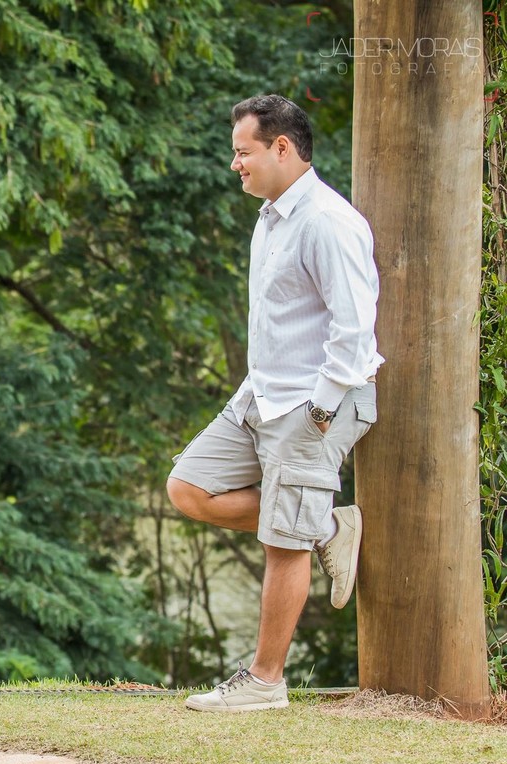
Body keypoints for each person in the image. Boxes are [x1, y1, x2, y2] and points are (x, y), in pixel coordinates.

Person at [166, 95, 382, 712]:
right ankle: (325, 525)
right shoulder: (271, 214)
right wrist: (256, 392)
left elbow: (353, 330)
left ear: (281, 148)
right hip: (262, 393)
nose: (235, 163)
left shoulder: (327, 221)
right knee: (189, 487)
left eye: (243, 151)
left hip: (319, 400)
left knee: (282, 538)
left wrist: (318, 410)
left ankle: (265, 683)